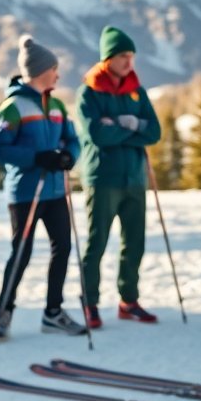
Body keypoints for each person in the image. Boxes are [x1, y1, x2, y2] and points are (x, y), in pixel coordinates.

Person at [0, 36, 87, 339]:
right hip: (25, 192)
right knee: (22, 251)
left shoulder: (56, 104)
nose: (58, 75)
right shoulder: (13, 106)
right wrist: (36, 157)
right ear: (42, 70)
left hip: (56, 189)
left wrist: (69, 155)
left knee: (63, 247)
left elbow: (72, 138)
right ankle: (4, 311)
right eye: (55, 69)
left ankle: (53, 312)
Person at [76, 26, 162, 327]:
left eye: (131, 56)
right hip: (103, 178)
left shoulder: (136, 90)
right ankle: (90, 303)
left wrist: (126, 125)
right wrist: (135, 128)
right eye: (123, 56)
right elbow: (97, 134)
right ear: (108, 58)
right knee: (97, 243)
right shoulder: (90, 91)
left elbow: (154, 131)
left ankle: (129, 300)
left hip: (135, 178)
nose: (129, 61)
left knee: (134, 242)